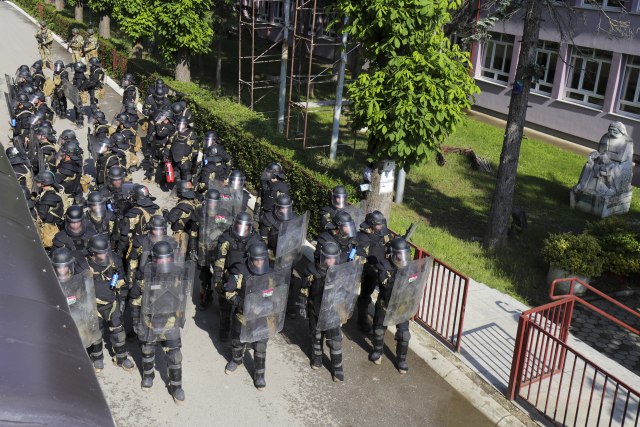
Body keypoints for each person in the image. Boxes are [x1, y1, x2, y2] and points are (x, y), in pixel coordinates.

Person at [130, 240, 187, 402]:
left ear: (171, 258)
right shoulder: (144, 275)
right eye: (160, 259)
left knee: (175, 356)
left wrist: (180, 316)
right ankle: (148, 376)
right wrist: (136, 321)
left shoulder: (177, 274)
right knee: (147, 351)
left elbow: (183, 298)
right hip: (149, 320)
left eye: (166, 259)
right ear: (154, 259)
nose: (163, 263)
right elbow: (135, 301)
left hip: (170, 321)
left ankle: (176, 386)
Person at [80, 234, 135, 371]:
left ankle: (121, 358)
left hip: (111, 302)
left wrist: (122, 300)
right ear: (92, 252)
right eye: (100, 252)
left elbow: (121, 280)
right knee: (96, 333)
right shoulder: (84, 264)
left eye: (105, 251)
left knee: (118, 332)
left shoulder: (114, 260)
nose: (104, 255)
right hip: (93, 304)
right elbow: (78, 286)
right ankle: (97, 358)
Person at [222, 241, 270, 390]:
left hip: (261, 317)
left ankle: (260, 375)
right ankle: (236, 360)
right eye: (256, 260)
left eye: (262, 259)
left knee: (260, 346)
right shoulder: (241, 272)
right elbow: (229, 292)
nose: (259, 262)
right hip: (243, 314)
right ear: (250, 258)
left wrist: (271, 304)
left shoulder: (270, 273)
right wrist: (242, 303)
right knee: (238, 341)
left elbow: (276, 293)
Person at [211, 211, 262, 341]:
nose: (242, 228)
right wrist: (217, 279)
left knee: (246, 307)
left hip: (247, 277)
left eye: (245, 226)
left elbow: (260, 261)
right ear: (235, 224)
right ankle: (224, 329)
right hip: (229, 275)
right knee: (225, 305)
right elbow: (220, 260)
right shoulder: (227, 238)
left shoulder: (255, 240)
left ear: (250, 227)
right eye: (239, 225)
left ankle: (242, 335)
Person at [299, 241, 344, 381]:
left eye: (333, 258)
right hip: (315, 309)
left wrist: (343, 310)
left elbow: (345, 292)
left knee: (335, 341)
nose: (331, 261)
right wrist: (302, 306)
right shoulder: (311, 270)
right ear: (322, 257)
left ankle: (337, 369)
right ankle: (317, 358)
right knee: (317, 337)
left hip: (332, 311)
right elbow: (304, 290)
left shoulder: (340, 271)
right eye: (328, 258)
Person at [369, 237, 412, 374]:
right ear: (392, 254)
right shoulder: (384, 266)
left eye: (405, 254)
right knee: (379, 330)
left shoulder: (409, 267)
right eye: (399, 254)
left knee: (404, 335)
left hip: (401, 305)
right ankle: (377, 352)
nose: (402, 257)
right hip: (385, 304)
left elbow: (414, 286)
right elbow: (386, 285)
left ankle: (401, 360)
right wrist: (399, 276)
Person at [356, 211, 392, 332]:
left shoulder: (382, 233)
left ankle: (379, 326)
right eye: (378, 225)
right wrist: (371, 270)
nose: (381, 227)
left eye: (382, 224)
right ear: (371, 225)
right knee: (365, 296)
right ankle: (362, 321)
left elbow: (389, 242)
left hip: (382, 269)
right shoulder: (363, 237)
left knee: (383, 299)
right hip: (369, 271)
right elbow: (361, 258)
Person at [166, 180, 200, 258]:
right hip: (192, 236)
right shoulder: (195, 202)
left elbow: (170, 219)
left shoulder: (182, 206)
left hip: (181, 237)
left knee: (178, 259)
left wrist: (165, 211)